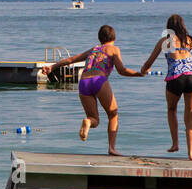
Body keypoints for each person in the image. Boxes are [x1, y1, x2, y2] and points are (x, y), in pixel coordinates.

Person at [44, 25, 140, 156]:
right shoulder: (114, 49)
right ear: (114, 37)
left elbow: (71, 59)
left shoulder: (93, 49)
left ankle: (88, 122)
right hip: (99, 80)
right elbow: (121, 70)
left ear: (100, 38)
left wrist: (52, 66)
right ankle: (112, 148)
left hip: (83, 82)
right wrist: (138, 73)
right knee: (113, 114)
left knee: (94, 118)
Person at [140, 14, 192, 161]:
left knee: (171, 109)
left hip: (175, 78)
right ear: (182, 25)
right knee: (190, 116)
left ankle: (175, 144)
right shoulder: (190, 40)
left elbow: (149, 62)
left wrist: (143, 71)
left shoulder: (165, 41)